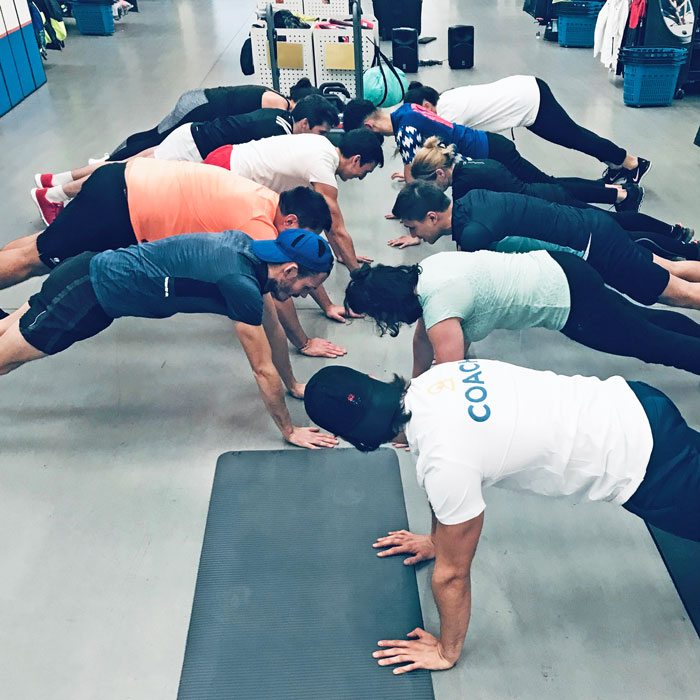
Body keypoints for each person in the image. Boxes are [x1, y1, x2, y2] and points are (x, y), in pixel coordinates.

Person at [303, 360, 700, 672]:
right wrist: (435, 541)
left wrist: (445, 650)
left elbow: (453, 574)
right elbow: (447, 494)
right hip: (635, 401)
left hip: (646, 463)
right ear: (374, 379)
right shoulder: (437, 379)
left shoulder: (445, 460)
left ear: (360, 441)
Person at [0, 228, 338, 450]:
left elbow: (274, 329)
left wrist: (293, 384)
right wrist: (289, 430)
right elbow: (262, 370)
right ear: (290, 270)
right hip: (83, 295)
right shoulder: (240, 283)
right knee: (5, 360)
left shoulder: (252, 254)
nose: (305, 296)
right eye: (306, 288)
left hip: (91, 284)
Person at [2, 160, 350, 358]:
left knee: (38, 248)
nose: (296, 242)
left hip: (129, 185)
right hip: (123, 207)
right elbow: (278, 298)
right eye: (300, 235)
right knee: (36, 259)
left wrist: (325, 302)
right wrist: (303, 343)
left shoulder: (268, 201)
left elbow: (302, 267)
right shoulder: (258, 225)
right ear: (290, 223)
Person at [344, 250, 700, 377]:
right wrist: (415, 386)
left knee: (652, 345)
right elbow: (424, 343)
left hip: (568, 302)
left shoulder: (439, 305)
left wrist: (413, 417)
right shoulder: (427, 272)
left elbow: (452, 374)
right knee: (645, 323)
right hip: (562, 268)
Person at [392, 182, 700, 312]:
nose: (413, 233)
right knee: (669, 268)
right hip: (593, 225)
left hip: (597, 250)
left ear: (432, 216)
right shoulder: (471, 200)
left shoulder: (474, 234)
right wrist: (421, 234)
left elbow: (473, 287)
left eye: (413, 227)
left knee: (679, 295)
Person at [31, 95, 340, 224]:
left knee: (123, 167)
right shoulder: (277, 131)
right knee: (123, 175)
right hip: (191, 149)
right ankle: (54, 196)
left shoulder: (278, 115)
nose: (320, 138)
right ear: (304, 123)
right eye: (319, 131)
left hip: (192, 137)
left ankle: (55, 181)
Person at [387, 137, 694, 255]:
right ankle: (673, 232)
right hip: (546, 196)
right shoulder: (469, 166)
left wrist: (419, 233)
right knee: (618, 223)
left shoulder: (466, 184)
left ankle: (676, 239)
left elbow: (460, 234)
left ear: (440, 175)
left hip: (551, 204)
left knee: (620, 230)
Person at [340, 98, 641, 209]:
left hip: (490, 157)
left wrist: (408, 216)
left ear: (369, 125)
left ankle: (620, 195)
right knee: (547, 185)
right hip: (491, 146)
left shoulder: (404, 130)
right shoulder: (407, 108)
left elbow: (413, 181)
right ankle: (617, 193)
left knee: (550, 188)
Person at [403, 78, 651, 184]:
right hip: (526, 91)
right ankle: (620, 164)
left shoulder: (448, 111)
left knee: (574, 137)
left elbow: (447, 155)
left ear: (426, 106)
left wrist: (419, 171)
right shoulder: (445, 99)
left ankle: (631, 163)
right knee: (574, 137)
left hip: (532, 100)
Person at [203, 129, 385, 269]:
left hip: (227, 155)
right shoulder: (322, 166)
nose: (362, 178)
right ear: (356, 159)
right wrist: (357, 274)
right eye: (365, 172)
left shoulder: (323, 144)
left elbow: (327, 222)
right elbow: (336, 229)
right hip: (228, 172)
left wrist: (344, 255)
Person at [105, 78, 318, 162]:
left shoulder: (278, 98)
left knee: (155, 137)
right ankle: (110, 161)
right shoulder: (277, 105)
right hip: (198, 105)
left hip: (199, 102)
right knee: (156, 141)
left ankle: (112, 159)